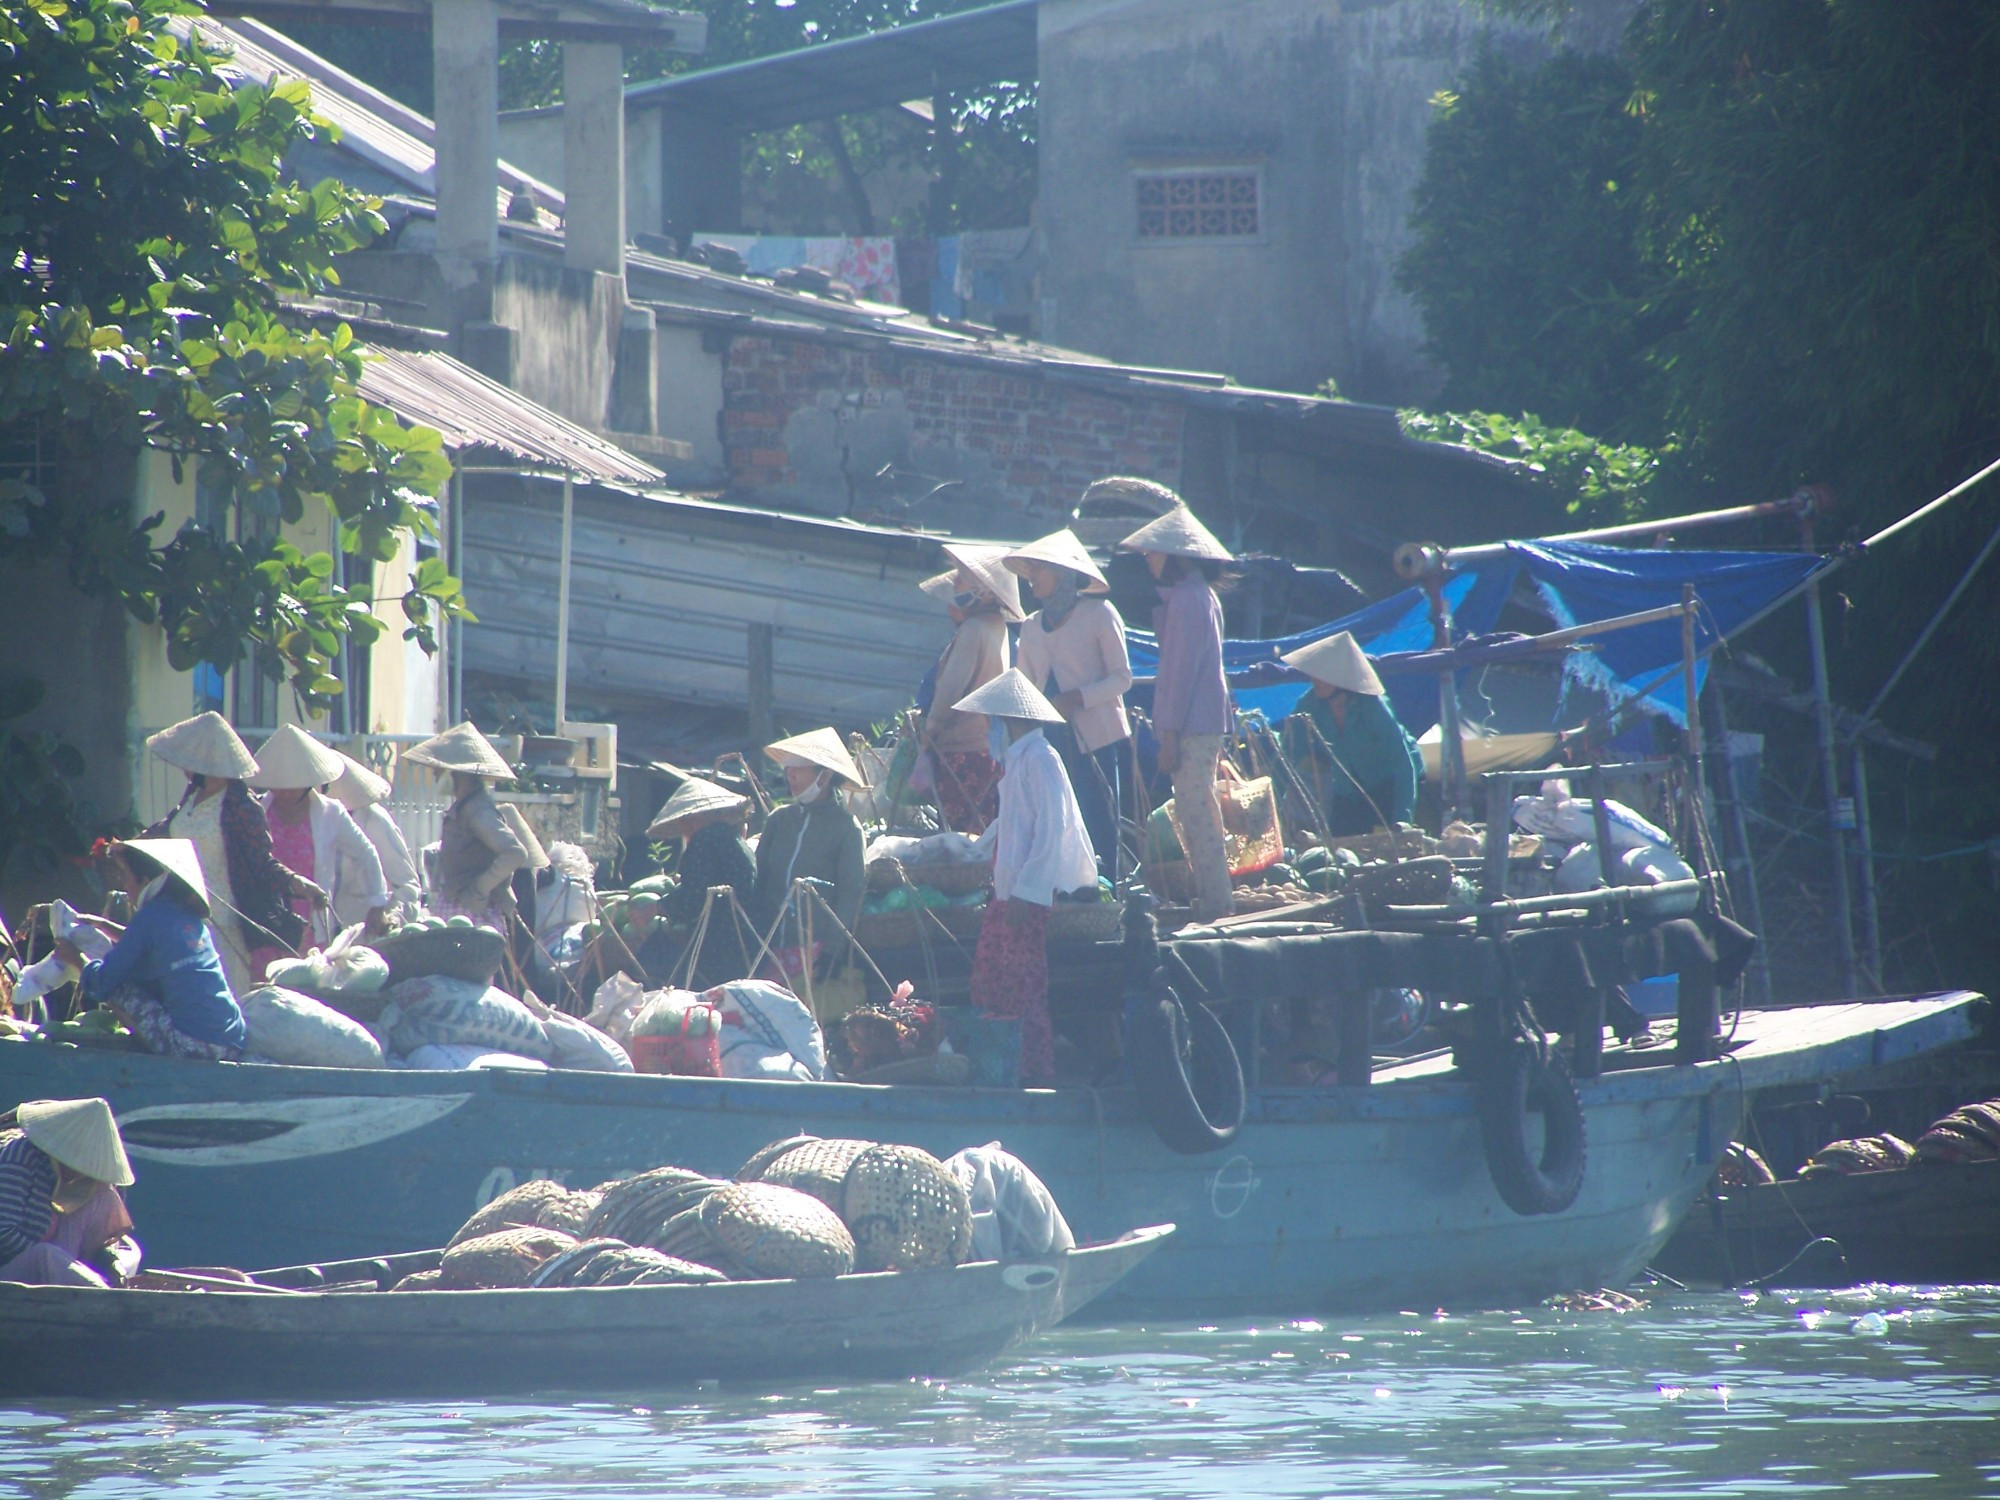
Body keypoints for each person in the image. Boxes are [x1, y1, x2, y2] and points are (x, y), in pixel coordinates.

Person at [953, 669, 1098, 1087]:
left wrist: (1027, 892)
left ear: (1009, 721)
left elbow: (1052, 829)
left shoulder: (1041, 759)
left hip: (1027, 894)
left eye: (989, 721)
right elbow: (1011, 823)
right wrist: (973, 849)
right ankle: (997, 1063)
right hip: (1007, 890)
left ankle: (1032, 1073)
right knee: (988, 979)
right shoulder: (1015, 762)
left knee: (1021, 984)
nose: (985, 730)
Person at [144, 712, 326, 998]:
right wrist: (123, 846)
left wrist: (297, 883)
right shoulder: (192, 797)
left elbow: (261, 863)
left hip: (221, 922)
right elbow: (165, 832)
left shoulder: (242, 807)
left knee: (219, 997)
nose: (186, 770)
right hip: (180, 914)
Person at [1121, 504, 1237, 922]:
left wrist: (1167, 733)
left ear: (1174, 555)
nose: (1149, 560)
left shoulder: (1188, 599)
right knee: (1196, 811)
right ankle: (1214, 898)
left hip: (1191, 725)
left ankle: (1217, 903)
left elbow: (1180, 672)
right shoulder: (1194, 595)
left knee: (1196, 812)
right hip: (1201, 723)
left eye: (1154, 552)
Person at [1005, 528, 1134, 879]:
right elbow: (1024, 687)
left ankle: (1108, 894)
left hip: (1095, 738)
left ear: (1063, 574)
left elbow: (1122, 679)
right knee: (1055, 820)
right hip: (1049, 741)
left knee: (1101, 821)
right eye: (1029, 570)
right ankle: (1065, 892)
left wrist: (1077, 698)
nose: (1031, 578)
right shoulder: (1031, 627)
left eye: (1039, 570)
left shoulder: (1100, 614)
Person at [55, 840, 246, 1061]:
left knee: (120, 988)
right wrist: (105, 927)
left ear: (145, 881)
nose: (125, 888)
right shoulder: (185, 914)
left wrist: (76, 960)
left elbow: (103, 981)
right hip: (233, 1040)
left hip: (195, 1047)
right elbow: (154, 945)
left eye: (125, 877)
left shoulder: (149, 917)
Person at [916, 542, 1025, 834]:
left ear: (984, 589)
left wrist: (928, 732)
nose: (955, 582)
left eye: (962, 577)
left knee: (959, 837)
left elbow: (950, 691)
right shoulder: (996, 626)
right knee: (979, 833)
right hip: (984, 748)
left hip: (960, 750)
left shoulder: (973, 629)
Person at [252, 725, 393, 944]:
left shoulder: (330, 813)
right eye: (280, 786)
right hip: (265, 918)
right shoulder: (257, 810)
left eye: (294, 787)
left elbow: (366, 853)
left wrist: (376, 904)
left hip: (310, 921)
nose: (286, 793)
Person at [1280, 631, 1424, 836]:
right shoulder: (1309, 705)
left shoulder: (1372, 706)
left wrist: (1402, 819)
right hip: (1347, 787)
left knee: (1390, 843)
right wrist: (1271, 808)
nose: (1315, 680)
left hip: (1391, 782)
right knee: (1341, 843)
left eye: (1324, 675)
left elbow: (1402, 764)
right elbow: (1287, 756)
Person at [750, 728, 867, 972]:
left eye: (798, 768)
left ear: (824, 776)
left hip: (814, 948)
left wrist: (833, 951)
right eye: (788, 768)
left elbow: (850, 892)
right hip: (769, 945)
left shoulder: (845, 828)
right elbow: (758, 880)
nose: (790, 775)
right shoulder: (778, 820)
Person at [403, 721, 534, 933]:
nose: (435, 776)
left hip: (474, 914)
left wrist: (479, 889)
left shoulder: (477, 811)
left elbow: (515, 853)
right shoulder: (464, 808)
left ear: (455, 774)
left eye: (439, 770)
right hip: (455, 906)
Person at [0, 1098, 139, 1287]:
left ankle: (97, 1289)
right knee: (45, 1256)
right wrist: (58, 1264)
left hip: (56, 1265)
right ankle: (107, 1299)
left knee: (102, 1194)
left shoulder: (83, 1182)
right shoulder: (18, 1156)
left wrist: (107, 1257)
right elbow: (3, 1234)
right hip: (7, 1276)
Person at [646, 775, 757, 987]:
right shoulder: (733, 839)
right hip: (746, 935)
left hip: (721, 940)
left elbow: (694, 897)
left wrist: (659, 907)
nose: (684, 828)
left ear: (699, 817)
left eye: (686, 821)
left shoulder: (705, 840)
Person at [327, 749, 422, 921]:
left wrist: (392, 917)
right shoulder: (314, 818)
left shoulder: (375, 821)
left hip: (363, 928)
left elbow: (407, 885)